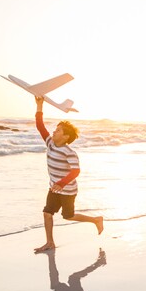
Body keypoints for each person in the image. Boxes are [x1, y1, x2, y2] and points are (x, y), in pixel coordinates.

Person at [34, 97, 104, 253]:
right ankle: (49, 242)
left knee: (68, 216)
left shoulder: (69, 152)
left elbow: (76, 171)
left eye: (58, 130)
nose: (54, 131)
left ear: (66, 137)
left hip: (68, 190)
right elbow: (40, 126)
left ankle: (95, 220)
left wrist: (62, 183)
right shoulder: (50, 142)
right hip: (54, 188)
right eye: (55, 129)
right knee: (47, 212)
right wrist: (39, 105)